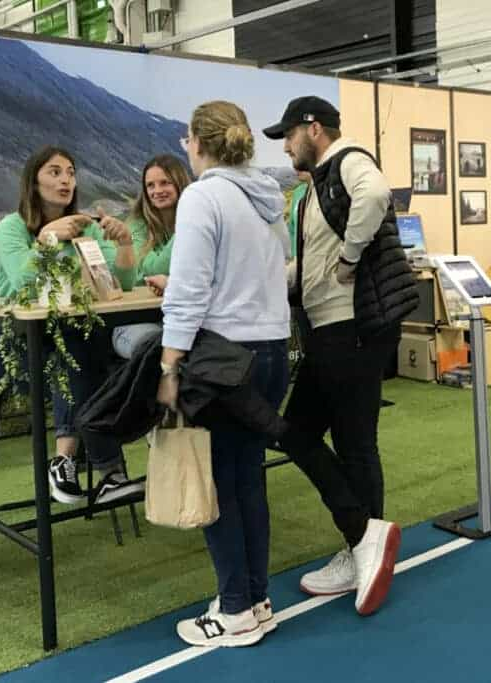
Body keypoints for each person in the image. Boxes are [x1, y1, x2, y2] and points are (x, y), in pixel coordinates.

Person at [263, 95, 417, 616]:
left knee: (350, 444)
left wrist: (351, 258)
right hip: (330, 331)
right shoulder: (314, 187)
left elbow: (376, 195)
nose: (285, 146)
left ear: (313, 128)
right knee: (301, 434)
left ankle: (362, 546)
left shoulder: (349, 159)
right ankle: (363, 537)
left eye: (288, 134)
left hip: (350, 329)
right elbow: (308, 268)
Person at [158, 101, 291, 648]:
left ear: (196, 142)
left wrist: (169, 365)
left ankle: (235, 608)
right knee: (248, 478)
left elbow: (188, 291)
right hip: (272, 352)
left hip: (223, 360)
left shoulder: (203, 196)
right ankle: (254, 600)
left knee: (221, 487)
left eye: (187, 139)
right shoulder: (266, 197)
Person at [0, 146, 142, 504]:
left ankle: (66, 462)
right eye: (54, 172)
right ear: (34, 181)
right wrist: (46, 240)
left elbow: (116, 285)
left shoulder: (85, 231)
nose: (66, 180)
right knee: (80, 350)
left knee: (84, 345)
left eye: (71, 172)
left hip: (74, 343)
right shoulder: (11, 228)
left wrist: (124, 244)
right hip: (16, 344)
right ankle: (106, 472)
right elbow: (25, 285)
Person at [109, 154, 191, 359]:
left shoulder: (193, 217)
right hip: (136, 319)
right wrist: (189, 225)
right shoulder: (137, 223)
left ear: (180, 183)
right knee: (154, 348)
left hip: (182, 315)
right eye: (150, 186)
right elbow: (150, 269)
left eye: (165, 183)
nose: (157, 191)